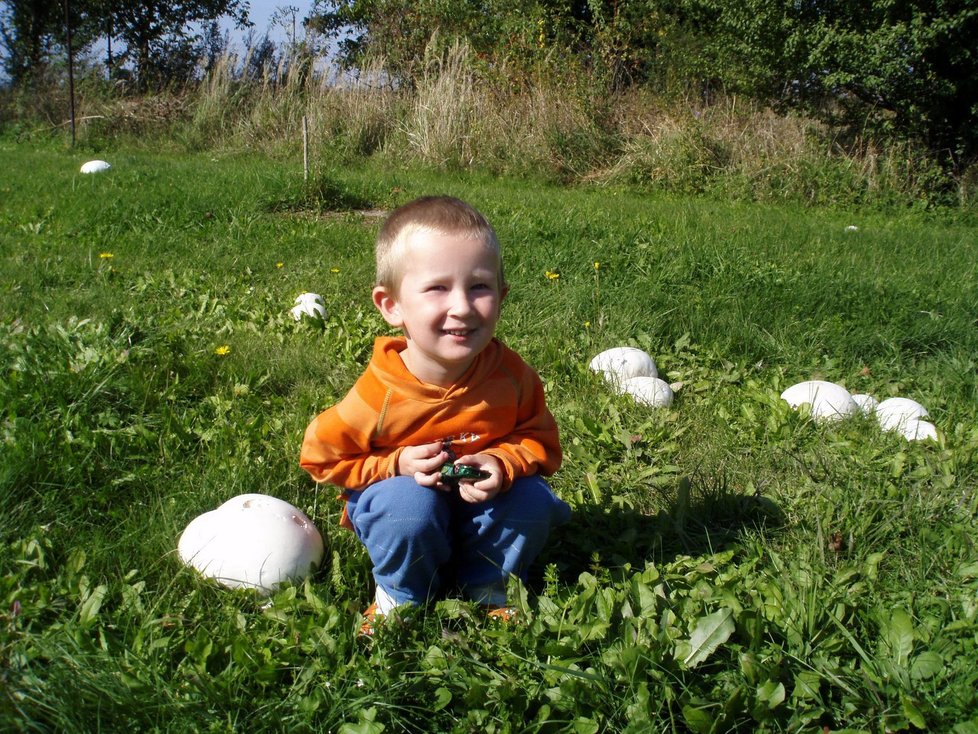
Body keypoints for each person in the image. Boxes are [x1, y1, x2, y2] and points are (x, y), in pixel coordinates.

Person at [300, 195, 570, 632]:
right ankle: (401, 594)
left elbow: (541, 442)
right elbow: (320, 456)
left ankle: (490, 586)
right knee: (407, 504)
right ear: (392, 306)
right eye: (438, 288)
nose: (462, 306)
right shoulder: (379, 394)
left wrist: (502, 463)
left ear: (502, 296)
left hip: (483, 510)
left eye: (479, 286)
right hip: (407, 513)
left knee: (533, 499)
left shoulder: (513, 377)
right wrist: (394, 465)